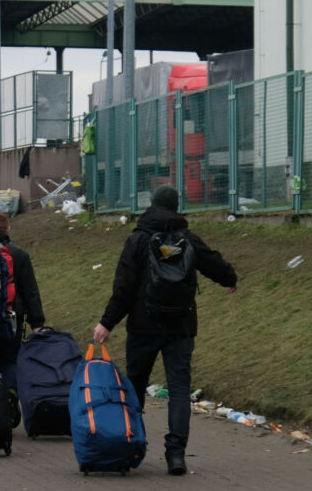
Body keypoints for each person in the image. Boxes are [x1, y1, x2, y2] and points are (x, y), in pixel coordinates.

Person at [91, 185, 238, 476]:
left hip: (143, 325)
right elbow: (214, 263)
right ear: (176, 206)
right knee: (179, 389)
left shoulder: (138, 239)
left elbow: (124, 286)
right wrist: (230, 279)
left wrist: (107, 322)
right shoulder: (187, 239)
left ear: (151, 204)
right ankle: (176, 454)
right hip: (181, 325)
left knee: (135, 385)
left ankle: (132, 445)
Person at [0, 211, 46, 390]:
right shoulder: (19, 254)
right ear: (8, 229)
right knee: (10, 360)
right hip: (12, 317)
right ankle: (11, 396)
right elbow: (30, 291)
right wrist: (37, 323)